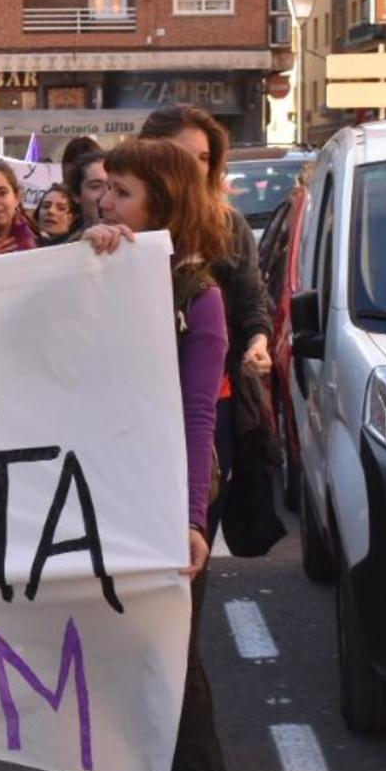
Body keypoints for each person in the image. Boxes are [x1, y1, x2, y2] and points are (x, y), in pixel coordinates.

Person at [68, 139, 232, 771]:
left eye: (122, 193)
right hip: (85, 488)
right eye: (103, 191)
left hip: (165, 492)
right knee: (90, 638)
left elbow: (200, 412)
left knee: (174, 651)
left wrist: (192, 517)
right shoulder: (80, 271)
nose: (106, 203)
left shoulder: (200, 294)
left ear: (161, 204)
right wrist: (83, 269)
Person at [138, 105, 273, 531]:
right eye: (181, 156)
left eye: (203, 159)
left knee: (194, 530)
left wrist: (258, 341)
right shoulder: (126, 219)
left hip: (213, 403)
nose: (194, 169)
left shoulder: (227, 225)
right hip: (137, 406)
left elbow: (253, 303)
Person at [69, 149, 110, 227]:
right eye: (96, 186)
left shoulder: (137, 237)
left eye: (112, 186)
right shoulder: (69, 239)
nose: (106, 194)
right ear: (76, 194)